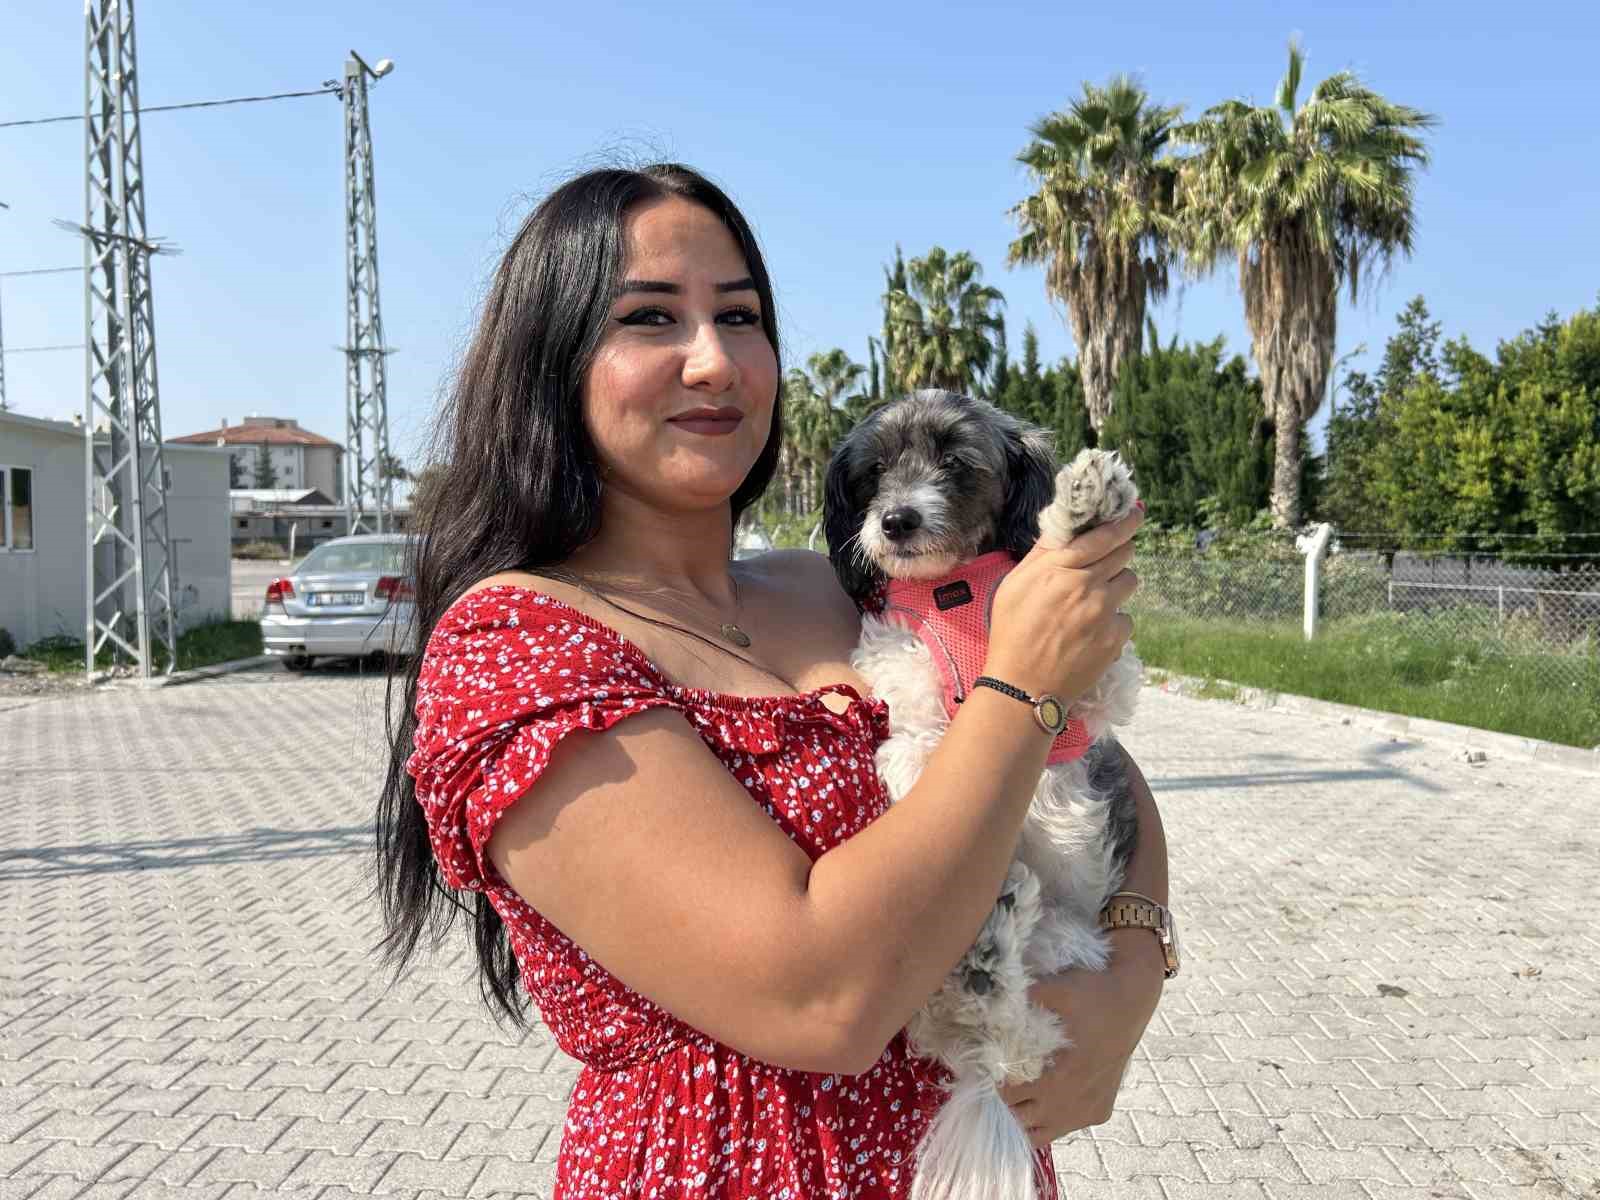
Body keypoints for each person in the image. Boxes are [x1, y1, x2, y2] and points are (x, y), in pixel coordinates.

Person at [376, 163, 1168, 1200]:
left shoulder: (828, 584)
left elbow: (1093, 764)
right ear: (552, 363)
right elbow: (825, 1003)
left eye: (739, 316)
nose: (712, 360)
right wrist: (1020, 686)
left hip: (979, 1164)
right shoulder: (521, 645)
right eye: (651, 318)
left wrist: (1131, 978)